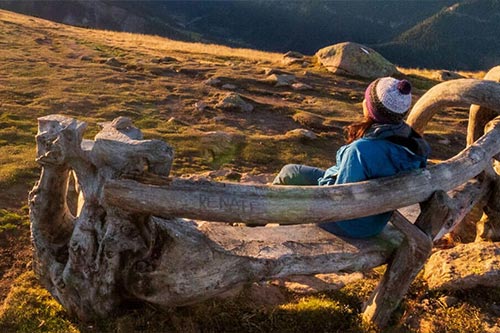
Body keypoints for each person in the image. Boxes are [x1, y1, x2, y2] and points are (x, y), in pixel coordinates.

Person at [273, 77, 430, 238]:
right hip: (375, 218)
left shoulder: (361, 150)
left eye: (366, 99)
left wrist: (317, 188)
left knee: (290, 188)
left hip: (349, 222)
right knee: (291, 171)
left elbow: (341, 198)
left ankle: (270, 230)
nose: (363, 101)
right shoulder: (416, 146)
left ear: (372, 109)